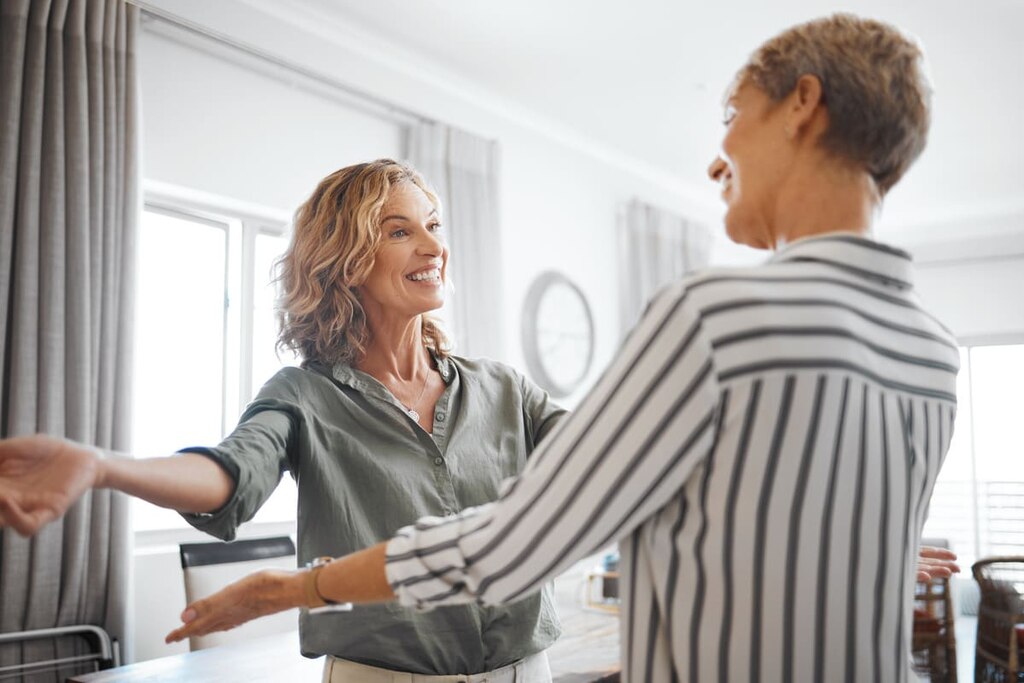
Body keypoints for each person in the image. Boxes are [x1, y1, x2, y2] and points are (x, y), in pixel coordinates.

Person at [152, 13, 962, 683]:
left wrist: (302, 586)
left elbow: (511, 542)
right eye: (402, 229)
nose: (718, 157)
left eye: (729, 117)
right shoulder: (934, 350)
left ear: (803, 105)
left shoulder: (715, 316)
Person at [0, 160, 562, 680]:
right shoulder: (304, 395)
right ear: (346, 261)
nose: (432, 246)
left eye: (433, 225)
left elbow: (599, 460)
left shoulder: (504, 388)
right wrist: (102, 466)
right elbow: (227, 474)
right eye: (399, 231)